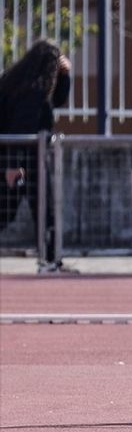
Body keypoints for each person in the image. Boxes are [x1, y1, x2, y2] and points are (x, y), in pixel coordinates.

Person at [0, 39, 71, 271]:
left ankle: (51, 259)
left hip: (21, 157)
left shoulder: (14, 81)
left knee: (12, 210)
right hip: (26, 159)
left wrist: (65, 76)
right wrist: (14, 165)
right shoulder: (33, 90)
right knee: (39, 210)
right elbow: (21, 127)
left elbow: (57, 100)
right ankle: (51, 260)